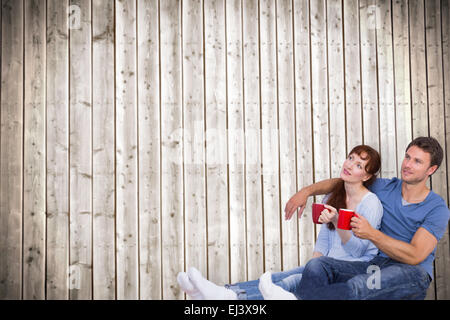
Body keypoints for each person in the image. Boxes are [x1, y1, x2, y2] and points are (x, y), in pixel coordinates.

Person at [177, 145, 384, 300]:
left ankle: (231, 297)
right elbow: (323, 240)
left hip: (356, 267)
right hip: (325, 265)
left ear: (366, 175)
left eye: (358, 165)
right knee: (280, 276)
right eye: (350, 158)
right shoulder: (332, 196)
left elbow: (359, 253)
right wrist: (312, 265)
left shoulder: (371, 204)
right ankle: (223, 291)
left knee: (289, 282)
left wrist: (338, 222)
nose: (349, 165)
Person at [283, 136, 450, 300]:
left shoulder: (437, 208)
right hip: (376, 264)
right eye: (407, 157)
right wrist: (305, 192)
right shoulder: (385, 187)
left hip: (411, 272)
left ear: (431, 170)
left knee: (361, 284)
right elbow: (343, 181)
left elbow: (415, 255)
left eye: (417, 161)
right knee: (317, 265)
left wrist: (371, 233)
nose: (407, 164)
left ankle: (294, 298)